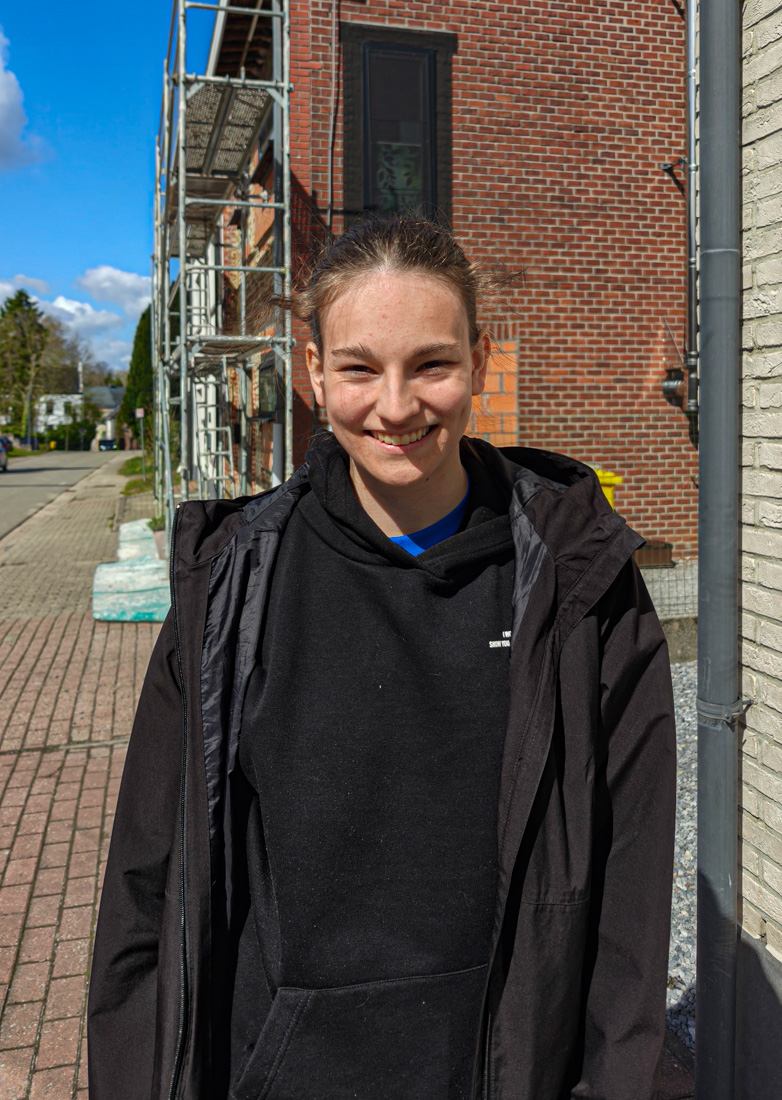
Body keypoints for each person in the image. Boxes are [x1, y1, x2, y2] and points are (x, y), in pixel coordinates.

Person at [88, 216, 676, 1100]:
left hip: (507, 1071)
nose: (396, 408)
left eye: (431, 364)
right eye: (360, 368)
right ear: (315, 371)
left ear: (480, 360)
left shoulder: (581, 582)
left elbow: (632, 891)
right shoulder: (232, 583)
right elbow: (148, 879)